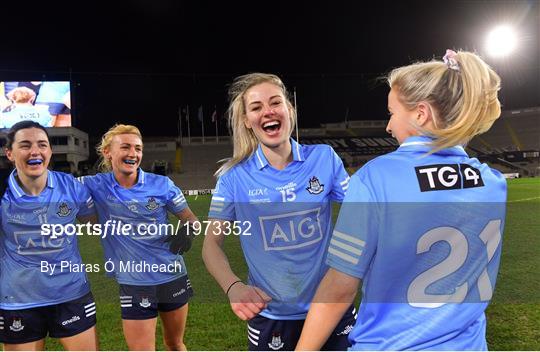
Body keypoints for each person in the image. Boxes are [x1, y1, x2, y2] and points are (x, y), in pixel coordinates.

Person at [296, 49, 506, 351]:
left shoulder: (375, 178)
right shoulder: (493, 183)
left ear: (421, 114)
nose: (388, 126)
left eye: (392, 113)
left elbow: (340, 289)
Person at [202, 73, 356, 351]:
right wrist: (233, 287)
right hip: (271, 316)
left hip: (331, 308)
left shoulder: (323, 158)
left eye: (275, 102)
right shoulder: (234, 177)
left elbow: (364, 212)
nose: (268, 111)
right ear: (247, 122)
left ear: (289, 110)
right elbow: (210, 245)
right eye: (256, 107)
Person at [78, 124, 197, 350]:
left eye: (138, 148)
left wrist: (188, 233)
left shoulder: (162, 184)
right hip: (134, 283)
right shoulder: (94, 184)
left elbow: (191, 219)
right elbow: (53, 186)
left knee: (175, 344)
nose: (133, 154)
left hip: (172, 275)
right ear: (107, 152)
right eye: (125, 147)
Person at [0, 121, 98, 350]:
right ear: (10, 153)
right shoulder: (3, 192)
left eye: (42, 145)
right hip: (18, 300)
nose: (35, 151)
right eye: (25, 145)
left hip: (72, 294)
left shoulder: (72, 187)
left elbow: (97, 225)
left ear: (50, 152)